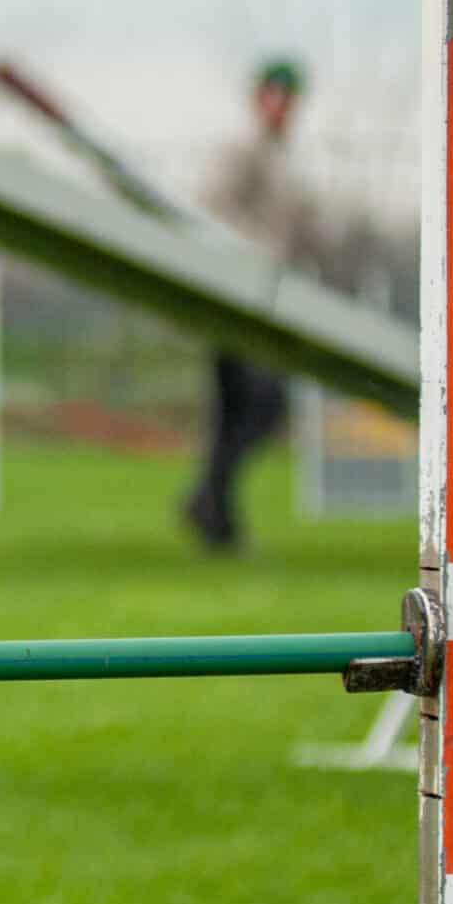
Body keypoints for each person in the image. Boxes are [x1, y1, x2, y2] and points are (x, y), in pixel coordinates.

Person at [180, 57, 319, 552]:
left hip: (265, 297)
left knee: (237, 413)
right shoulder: (243, 150)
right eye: (273, 94)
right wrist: (259, 251)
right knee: (262, 406)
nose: (281, 105)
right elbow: (209, 207)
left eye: (289, 96)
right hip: (237, 296)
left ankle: (215, 517)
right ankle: (207, 504)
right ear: (259, 98)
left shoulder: (282, 156)